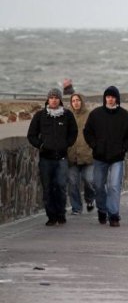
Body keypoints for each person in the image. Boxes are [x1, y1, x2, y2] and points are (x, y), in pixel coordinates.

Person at [83, 86, 128, 227]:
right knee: (99, 186)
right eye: (108, 96)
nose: (110, 99)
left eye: (113, 97)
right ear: (105, 98)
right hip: (100, 156)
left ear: (117, 98)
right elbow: (87, 132)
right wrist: (95, 145)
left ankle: (113, 215)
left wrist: (123, 148)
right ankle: (102, 209)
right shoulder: (96, 114)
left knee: (114, 186)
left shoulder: (124, 115)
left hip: (117, 157)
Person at [27, 88, 78, 226]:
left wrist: (66, 144)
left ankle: (61, 214)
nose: (54, 100)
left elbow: (74, 132)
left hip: (61, 158)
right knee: (48, 188)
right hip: (46, 159)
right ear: (47, 100)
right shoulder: (40, 116)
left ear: (60, 99)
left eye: (56, 97)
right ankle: (51, 216)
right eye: (51, 97)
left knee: (61, 186)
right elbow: (31, 135)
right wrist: (41, 145)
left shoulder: (67, 115)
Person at [65, 93, 94, 215]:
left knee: (89, 180)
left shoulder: (90, 115)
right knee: (72, 182)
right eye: (73, 101)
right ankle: (76, 208)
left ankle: (90, 199)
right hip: (72, 156)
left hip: (88, 155)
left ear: (82, 101)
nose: (76, 102)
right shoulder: (67, 116)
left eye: (78, 100)